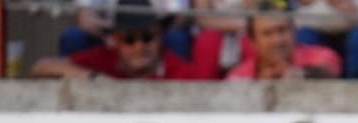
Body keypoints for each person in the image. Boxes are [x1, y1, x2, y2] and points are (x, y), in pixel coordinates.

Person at [32, 9, 219, 79]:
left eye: (147, 37)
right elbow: (41, 67)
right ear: (116, 41)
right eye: (129, 40)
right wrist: (93, 77)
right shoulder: (104, 57)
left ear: (160, 38)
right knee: (73, 37)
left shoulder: (173, 66)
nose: (139, 46)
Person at [226, 8, 343, 79]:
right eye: (267, 34)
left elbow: (329, 71)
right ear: (253, 42)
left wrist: (300, 74)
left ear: (295, 31)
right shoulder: (239, 76)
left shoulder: (322, 55)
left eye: (282, 30)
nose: (277, 40)